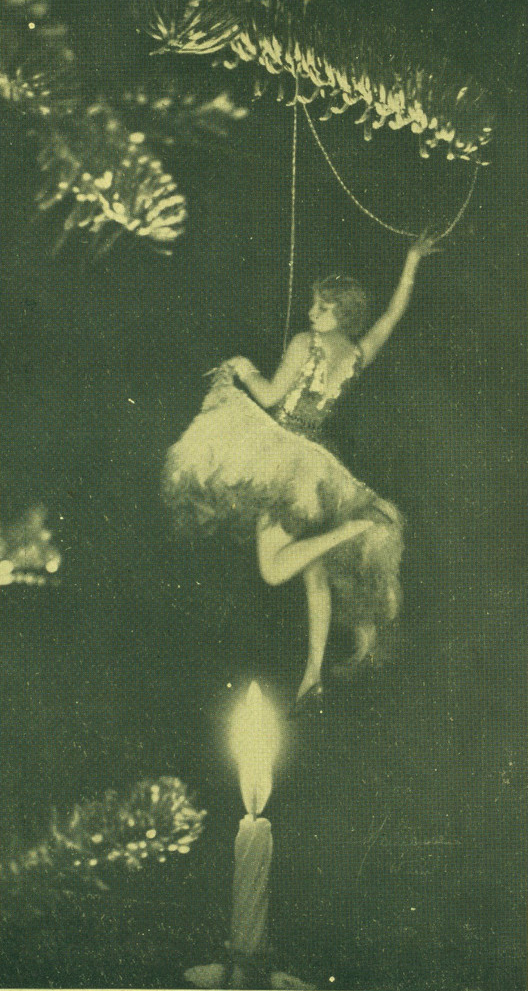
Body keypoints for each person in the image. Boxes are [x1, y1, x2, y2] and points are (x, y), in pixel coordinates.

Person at [162, 233, 438, 714]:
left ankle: (356, 527)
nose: (312, 313)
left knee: (272, 570)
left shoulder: (306, 344)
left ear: (341, 314)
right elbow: (392, 316)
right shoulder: (356, 354)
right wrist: (411, 262)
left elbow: (270, 397)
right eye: (314, 305)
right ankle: (312, 675)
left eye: (322, 308)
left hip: (284, 459)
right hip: (317, 468)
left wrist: (243, 367)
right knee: (313, 569)